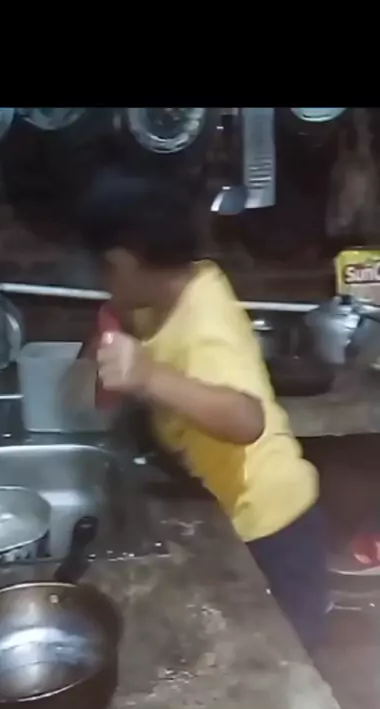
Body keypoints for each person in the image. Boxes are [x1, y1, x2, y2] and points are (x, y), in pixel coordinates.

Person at [77, 168, 330, 651]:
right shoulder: (175, 286)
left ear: (124, 261)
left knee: (286, 663)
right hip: (237, 511)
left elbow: (247, 420)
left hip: (270, 524)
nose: (99, 281)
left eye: (103, 270)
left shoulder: (203, 326)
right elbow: (135, 325)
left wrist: (149, 376)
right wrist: (113, 323)